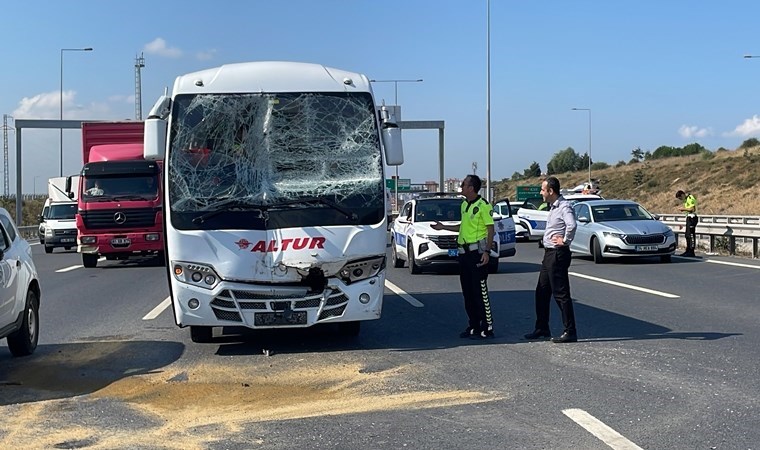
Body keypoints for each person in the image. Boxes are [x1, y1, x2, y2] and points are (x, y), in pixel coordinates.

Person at [431, 174, 496, 339]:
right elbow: (462, 227)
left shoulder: (483, 206)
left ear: (471, 188)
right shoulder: (464, 205)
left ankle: (487, 326)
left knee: (479, 291)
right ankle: (473, 325)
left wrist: (487, 252)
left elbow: (490, 230)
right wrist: (443, 227)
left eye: (464, 185)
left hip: (477, 254)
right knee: (467, 292)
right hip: (464, 254)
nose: (461, 187)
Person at [524, 176, 579, 343]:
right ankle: (542, 327)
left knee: (561, 294)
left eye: (542, 189)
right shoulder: (553, 207)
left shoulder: (564, 207)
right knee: (541, 291)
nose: (541, 192)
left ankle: (570, 331)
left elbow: (572, 225)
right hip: (548, 254)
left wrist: (566, 240)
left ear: (550, 191)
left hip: (557, 253)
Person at [675, 190, 698, 257]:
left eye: (680, 198)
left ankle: (691, 251)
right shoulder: (686, 200)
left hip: (692, 218)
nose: (680, 199)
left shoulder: (690, 198)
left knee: (691, 235)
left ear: (682, 195)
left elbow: (693, 209)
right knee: (687, 235)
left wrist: (684, 209)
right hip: (688, 218)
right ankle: (688, 250)